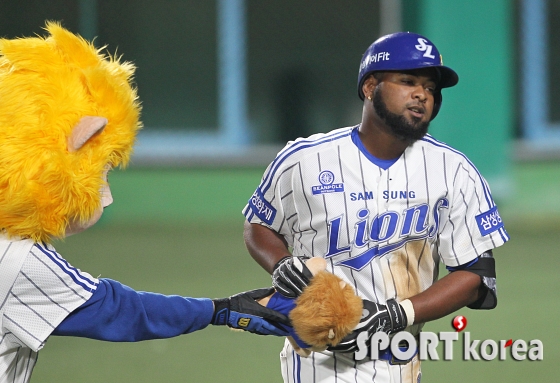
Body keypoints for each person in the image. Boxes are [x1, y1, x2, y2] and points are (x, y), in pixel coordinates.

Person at [0, 23, 289, 383]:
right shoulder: (15, 260)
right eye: (101, 169)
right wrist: (221, 310)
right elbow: (115, 310)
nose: (105, 191)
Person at [243, 31, 509, 382]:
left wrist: (397, 314)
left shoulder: (454, 171)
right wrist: (280, 264)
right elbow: (259, 224)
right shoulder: (304, 160)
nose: (422, 94)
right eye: (408, 81)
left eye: (430, 88)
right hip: (314, 364)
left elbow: (476, 274)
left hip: (399, 364)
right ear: (370, 87)